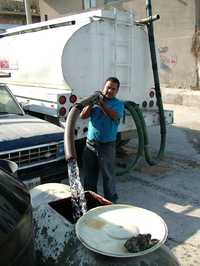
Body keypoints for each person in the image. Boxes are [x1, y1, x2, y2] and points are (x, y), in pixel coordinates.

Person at [80, 77, 124, 203]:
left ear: (117, 91)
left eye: (113, 89)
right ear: (104, 87)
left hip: (107, 146)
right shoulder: (95, 101)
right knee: (89, 176)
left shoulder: (118, 104)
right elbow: (83, 115)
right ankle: (90, 201)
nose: (110, 90)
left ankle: (110, 202)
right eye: (108, 87)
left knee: (108, 176)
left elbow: (114, 116)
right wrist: (90, 103)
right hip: (90, 144)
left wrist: (101, 104)